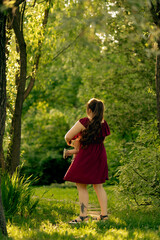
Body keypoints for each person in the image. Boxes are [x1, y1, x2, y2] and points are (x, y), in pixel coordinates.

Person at [63, 98, 110, 223]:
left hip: (86, 155)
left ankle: (83, 216)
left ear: (89, 110)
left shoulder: (84, 122)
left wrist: (73, 143)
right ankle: (104, 216)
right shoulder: (104, 124)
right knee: (98, 186)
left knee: (81, 185)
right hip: (100, 155)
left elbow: (67, 136)